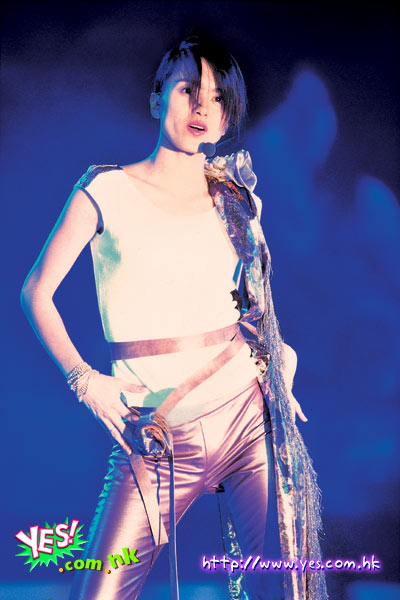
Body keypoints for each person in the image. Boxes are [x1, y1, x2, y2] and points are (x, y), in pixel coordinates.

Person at [20, 36, 327, 600]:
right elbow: (35, 292)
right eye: (188, 89)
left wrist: (280, 360)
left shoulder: (236, 198)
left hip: (247, 420)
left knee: (285, 591)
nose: (202, 106)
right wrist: (84, 379)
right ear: (157, 98)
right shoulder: (105, 190)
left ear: (227, 117)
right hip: (155, 435)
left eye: (218, 97)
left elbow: (257, 308)